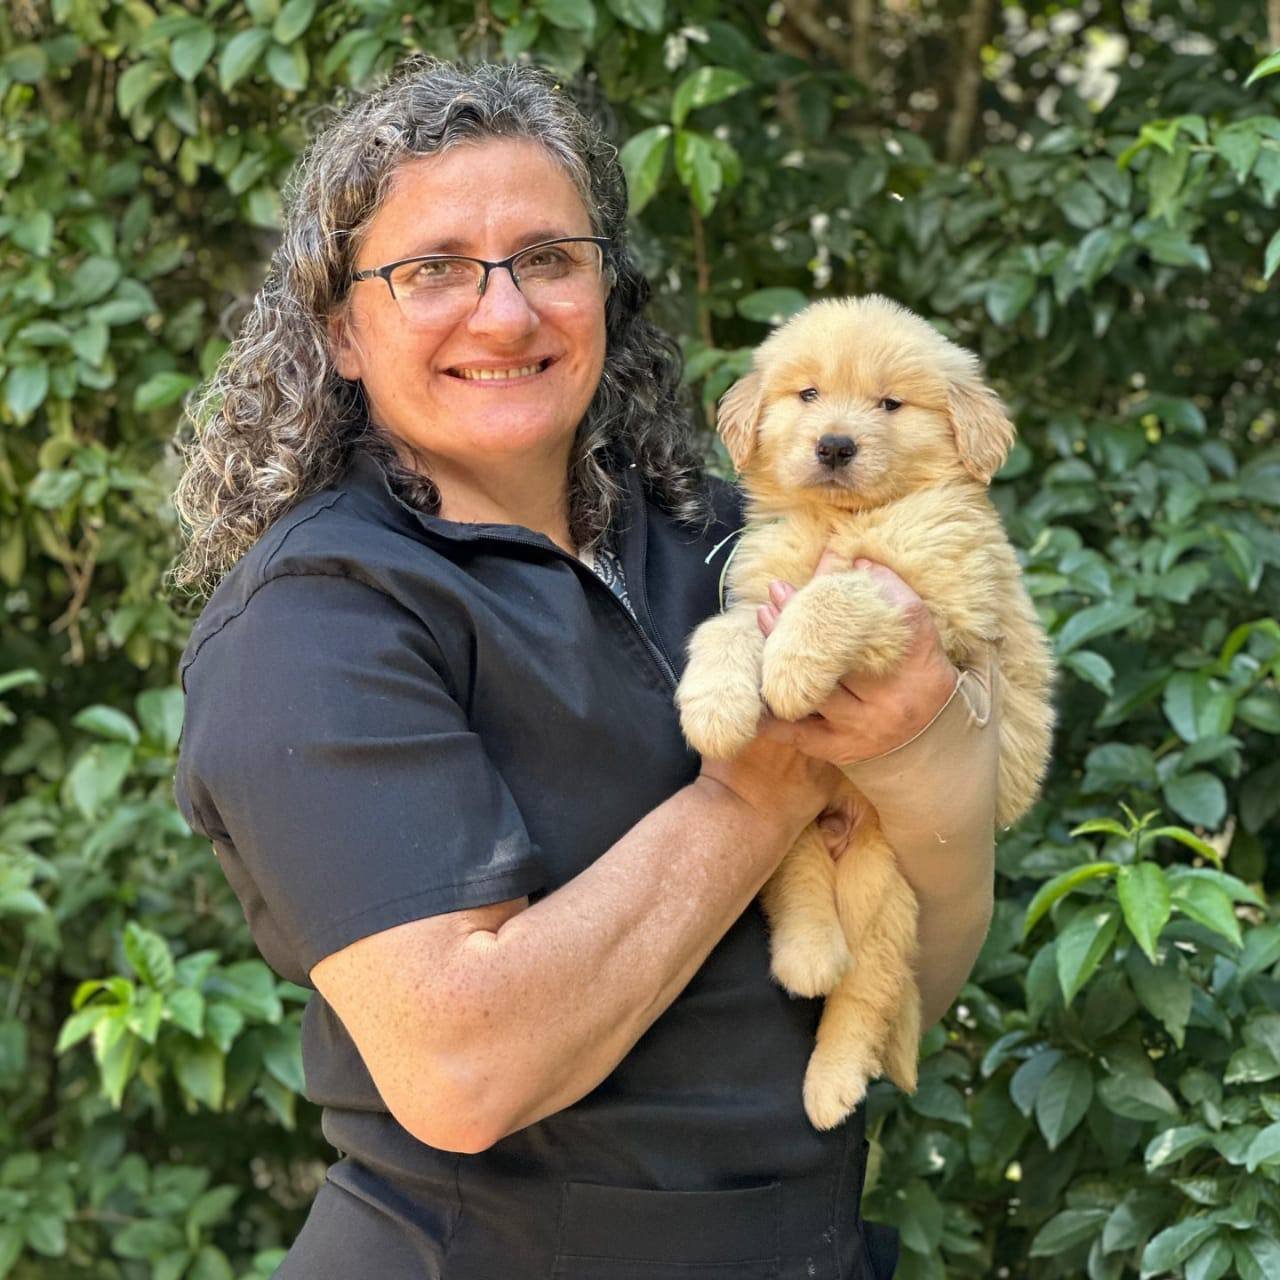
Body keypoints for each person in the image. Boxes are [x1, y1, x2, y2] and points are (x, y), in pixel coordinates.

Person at [171, 56, 999, 1280]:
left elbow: (922, 958)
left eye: (548, 257)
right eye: (432, 268)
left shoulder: (723, 536)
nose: (504, 314)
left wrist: (925, 747)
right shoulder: (316, 621)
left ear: (603, 288)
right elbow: (463, 1068)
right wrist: (761, 787)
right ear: (341, 327)